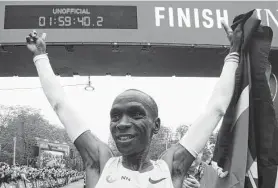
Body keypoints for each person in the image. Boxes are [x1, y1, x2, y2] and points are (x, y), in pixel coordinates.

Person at [25, 20, 242, 188]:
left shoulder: (169, 169)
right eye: (115, 116)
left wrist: (234, 55)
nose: (121, 124)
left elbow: (215, 110)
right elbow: (61, 106)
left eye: (136, 115)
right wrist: (40, 58)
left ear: (156, 125)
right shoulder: (101, 163)